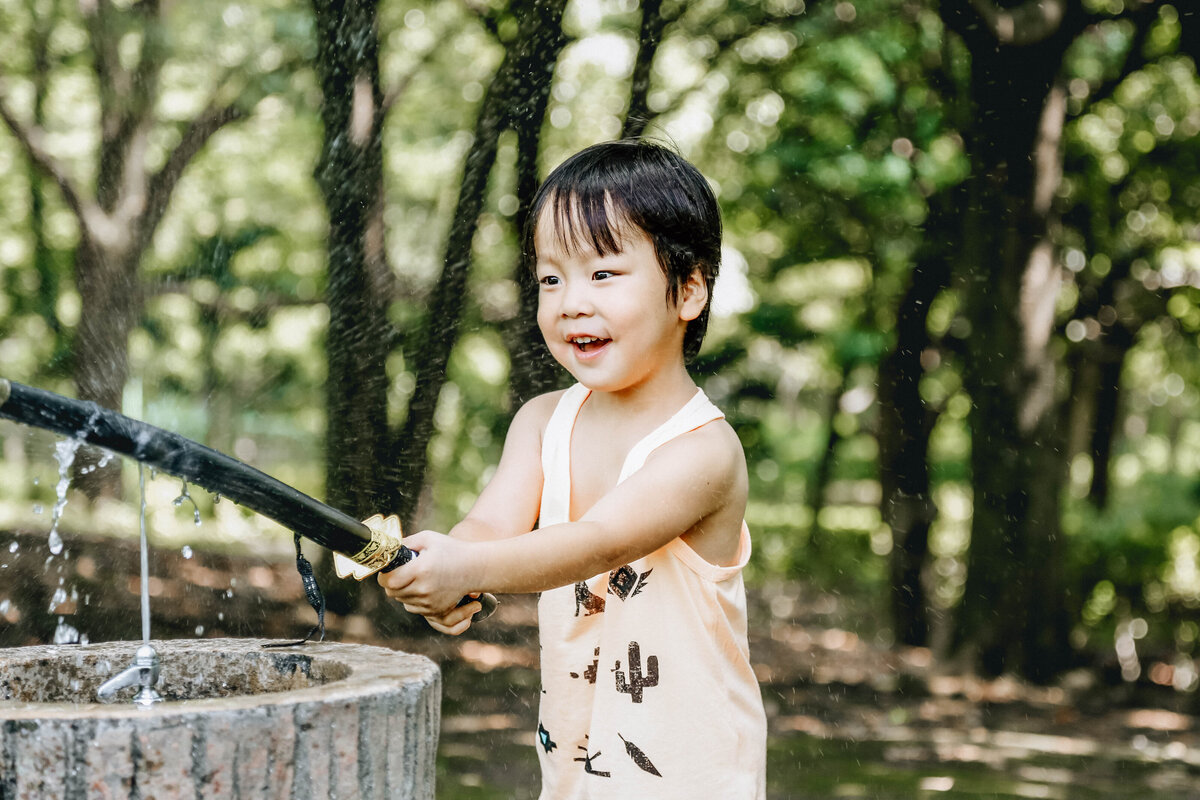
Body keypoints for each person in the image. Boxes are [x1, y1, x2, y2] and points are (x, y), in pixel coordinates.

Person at [375, 139, 767, 799]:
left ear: (689, 289)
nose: (570, 302)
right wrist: (440, 568)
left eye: (603, 274)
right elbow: (490, 526)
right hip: (578, 769)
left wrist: (464, 569)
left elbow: (595, 543)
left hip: (694, 781)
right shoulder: (542, 421)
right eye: (550, 278)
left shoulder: (705, 452)